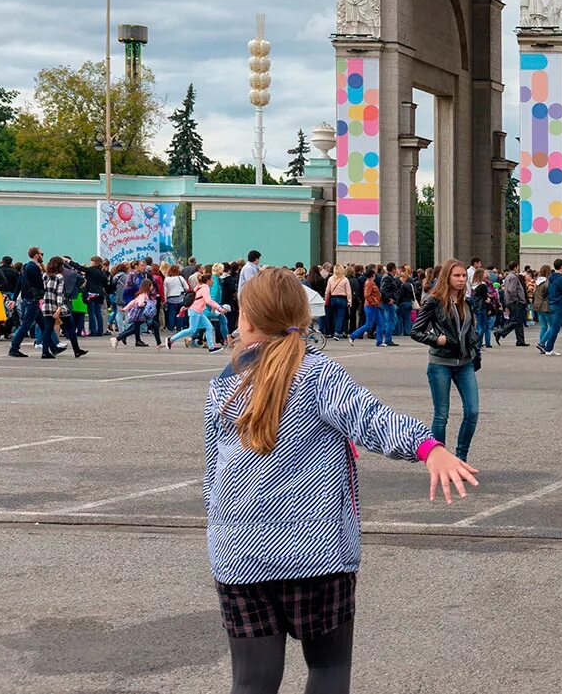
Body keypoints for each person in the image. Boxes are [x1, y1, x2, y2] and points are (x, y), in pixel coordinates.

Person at [205, 267, 476, 694]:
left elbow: (212, 472)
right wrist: (427, 447)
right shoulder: (318, 374)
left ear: (249, 322)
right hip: (317, 554)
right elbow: (371, 418)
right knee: (328, 668)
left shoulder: (225, 385)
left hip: (239, 555)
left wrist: (221, 533)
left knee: (252, 682)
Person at [414, 259, 481, 460]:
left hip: (465, 363)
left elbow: (471, 331)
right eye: (457, 276)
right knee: (441, 415)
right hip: (440, 363)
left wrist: (475, 351)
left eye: (463, 276)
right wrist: (437, 339)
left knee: (472, 411)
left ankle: (461, 458)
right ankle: (440, 460)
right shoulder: (434, 301)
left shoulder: (467, 302)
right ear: (447, 278)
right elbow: (416, 331)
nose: (461, 279)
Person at [6, 247, 48, 357]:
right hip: (33, 299)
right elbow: (38, 284)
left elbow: (20, 284)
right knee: (26, 325)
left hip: (30, 299)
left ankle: (52, 346)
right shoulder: (33, 267)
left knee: (43, 324)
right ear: (36, 255)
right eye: (41, 254)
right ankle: (14, 347)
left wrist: (14, 299)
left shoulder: (27, 267)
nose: (42, 256)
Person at [168, 286, 230, 352]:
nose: (212, 281)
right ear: (208, 280)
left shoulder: (198, 287)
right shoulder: (205, 288)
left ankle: (211, 347)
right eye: (211, 279)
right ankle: (171, 340)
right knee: (192, 329)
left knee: (208, 327)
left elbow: (196, 299)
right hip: (196, 311)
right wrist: (219, 308)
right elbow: (209, 300)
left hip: (198, 311)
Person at [540, 259, 562, 356]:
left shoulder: (551, 278)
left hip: (551, 303)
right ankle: (549, 348)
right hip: (559, 305)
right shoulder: (561, 279)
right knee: (555, 328)